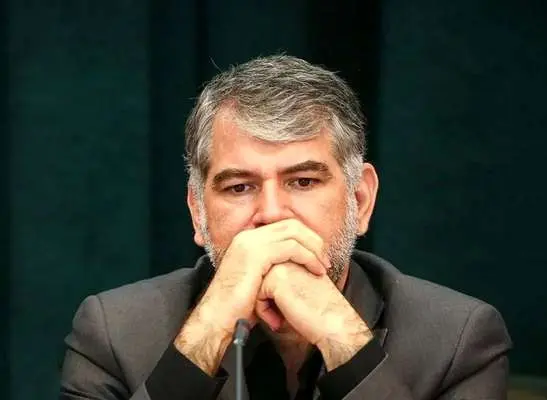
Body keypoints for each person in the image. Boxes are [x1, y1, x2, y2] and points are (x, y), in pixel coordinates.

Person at [60, 55, 512, 400]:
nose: (273, 214)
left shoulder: (457, 339)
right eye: (239, 187)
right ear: (198, 212)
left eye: (303, 181)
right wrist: (207, 332)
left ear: (360, 200)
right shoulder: (113, 333)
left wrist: (344, 339)